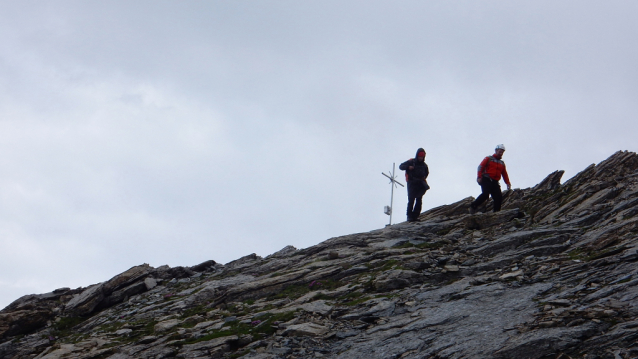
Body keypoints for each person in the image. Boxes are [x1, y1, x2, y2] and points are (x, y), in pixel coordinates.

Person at [469, 144, 511, 214]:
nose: (501, 153)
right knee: (485, 194)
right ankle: (473, 205)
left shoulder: (502, 163)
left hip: (495, 182)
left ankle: (496, 212)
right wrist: (479, 177)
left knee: (498, 197)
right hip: (486, 179)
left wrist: (507, 183)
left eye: (502, 152)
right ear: (496, 150)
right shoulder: (488, 158)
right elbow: (480, 167)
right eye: (500, 152)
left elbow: (504, 174)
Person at [399, 148, 430, 222]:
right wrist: (408, 167)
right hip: (412, 183)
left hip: (420, 183)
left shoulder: (424, 165)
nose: (420, 158)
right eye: (419, 156)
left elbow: (427, 173)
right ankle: (409, 216)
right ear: (417, 155)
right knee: (411, 200)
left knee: (419, 200)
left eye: (422, 157)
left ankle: (416, 216)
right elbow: (401, 166)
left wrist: (423, 178)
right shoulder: (411, 162)